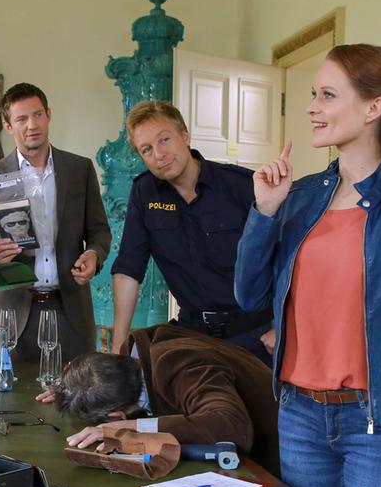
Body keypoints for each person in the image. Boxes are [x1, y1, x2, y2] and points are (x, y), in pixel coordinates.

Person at [234, 44, 381, 487]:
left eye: (327, 95)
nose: (312, 107)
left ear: (374, 107)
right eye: (312, 94)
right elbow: (248, 296)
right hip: (300, 416)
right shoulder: (300, 196)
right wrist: (265, 211)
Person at [110, 100, 273, 363]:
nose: (159, 154)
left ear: (185, 136)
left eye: (164, 140)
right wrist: (119, 347)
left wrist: (282, 326)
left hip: (256, 336)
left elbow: (287, 260)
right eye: (146, 149)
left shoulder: (241, 185)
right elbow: (129, 268)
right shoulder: (144, 192)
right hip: (194, 337)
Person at [0, 83, 111, 364]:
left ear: (48, 114)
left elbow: (99, 231)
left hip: (71, 313)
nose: (32, 125)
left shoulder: (80, 169)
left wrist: (94, 254)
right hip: (12, 317)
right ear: (8, 126)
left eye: (37, 115)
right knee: (11, 393)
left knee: (78, 390)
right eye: (21, 119)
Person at [38, 323, 280, 477]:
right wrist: (69, 389)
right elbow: (93, 379)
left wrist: (127, 427)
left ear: (115, 414)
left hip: (275, 460)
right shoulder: (136, 359)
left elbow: (231, 425)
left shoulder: (178, 365)